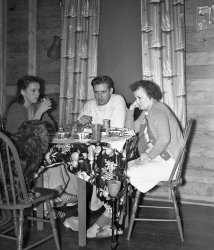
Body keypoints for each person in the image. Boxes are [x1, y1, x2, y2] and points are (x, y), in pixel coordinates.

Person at [5, 75, 77, 212]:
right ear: (22, 92)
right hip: (17, 156)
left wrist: (43, 112)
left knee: (59, 155)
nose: (38, 93)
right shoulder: (16, 108)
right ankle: (57, 194)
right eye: (33, 90)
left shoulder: (35, 107)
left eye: (38, 90)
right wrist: (40, 111)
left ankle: (55, 197)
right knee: (53, 156)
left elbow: (50, 128)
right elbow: (24, 133)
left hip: (32, 152)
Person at [77, 75, 127, 238]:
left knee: (104, 163)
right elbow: (80, 131)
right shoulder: (89, 104)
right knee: (78, 160)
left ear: (111, 91)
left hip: (116, 149)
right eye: (96, 92)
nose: (99, 96)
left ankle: (109, 210)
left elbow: (115, 130)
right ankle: (98, 206)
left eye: (103, 92)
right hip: (94, 149)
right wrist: (80, 123)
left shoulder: (118, 100)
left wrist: (92, 129)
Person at [125, 79, 183, 194]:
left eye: (139, 98)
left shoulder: (158, 111)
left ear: (150, 95)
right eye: (135, 98)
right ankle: (126, 202)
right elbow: (130, 130)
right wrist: (131, 110)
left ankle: (123, 206)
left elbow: (164, 139)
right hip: (160, 159)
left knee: (127, 172)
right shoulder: (148, 111)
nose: (137, 101)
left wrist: (149, 156)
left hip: (170, 164)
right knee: (123, 168)